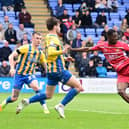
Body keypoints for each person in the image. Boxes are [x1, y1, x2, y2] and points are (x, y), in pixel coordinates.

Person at [16, 17, 83, 118]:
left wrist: (64, 58)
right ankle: (61, 105)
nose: (60, 27)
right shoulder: (53, 38)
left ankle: (28, 101)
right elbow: (51, 53)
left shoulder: (47, 37)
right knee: (78, 87)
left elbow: (50, 55)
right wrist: (63, 51)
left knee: (48, 95)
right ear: (55, 26)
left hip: (51, 70)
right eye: (59, 25)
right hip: (58, 70)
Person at [70, 29, 129, 104]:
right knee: (120, 91)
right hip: (121, 73)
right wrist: (73, 49)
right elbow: (88, 49)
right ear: (109, 37)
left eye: (117, 36)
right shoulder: (103, 45)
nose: (116, 38)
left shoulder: (122, 45)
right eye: (114, 37)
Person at [0, 32, 49, 114]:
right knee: (14, 98)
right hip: (19, 75)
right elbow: (11, 56)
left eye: (40, 39)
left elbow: (45, 65)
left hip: (29, 75)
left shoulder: (40, 53)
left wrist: (50, 74)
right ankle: (4, 103)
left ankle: (45, 107)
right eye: (37, 38)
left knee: (36, 87)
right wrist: (12, 68)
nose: (39, 41)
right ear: (32, 39)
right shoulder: (25, 48)